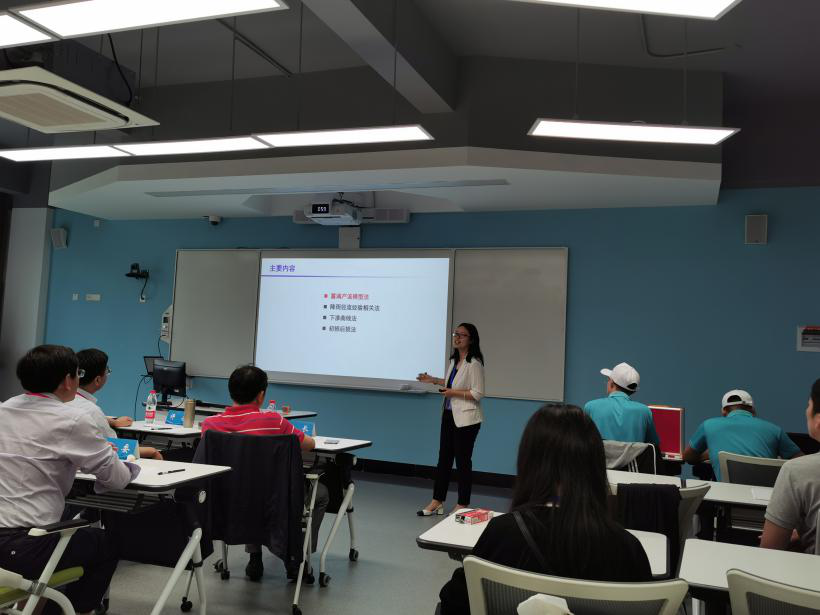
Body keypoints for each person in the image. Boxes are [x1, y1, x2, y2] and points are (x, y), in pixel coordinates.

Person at [438, 404, 652, 615]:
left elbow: (453, 604)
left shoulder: (503, 534)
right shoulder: (627, 548)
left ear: (529, 462)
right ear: (595, 465)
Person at [0, 345, 139, 615]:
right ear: (67, 380)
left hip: (11, 540)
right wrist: (114, 458)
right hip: (26, 544)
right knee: (107, 543)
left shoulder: (4, 409)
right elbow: (117, 479)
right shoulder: (73, 419)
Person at [200, 365, 329, 581]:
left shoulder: (210, 426)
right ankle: (296, 557)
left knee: (248, 482)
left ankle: (255, 557)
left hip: (226, 503)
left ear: (231, 392)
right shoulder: (275, 422)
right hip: (271, 503)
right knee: (321, 494)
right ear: (261, 395)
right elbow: (309, 444)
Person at [417, 323, 485, 516]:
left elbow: (478, 393)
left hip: (467, 419)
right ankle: (437, 500)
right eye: (456, 334)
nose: (457, 337)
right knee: (444, 460)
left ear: (471, 340)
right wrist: (432, 380)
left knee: (463, 462)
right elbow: (451, 383)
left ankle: (463, 503)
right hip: (448, 415)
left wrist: (452, 392)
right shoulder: (454, 361)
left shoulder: (474, 363)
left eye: (462, 335)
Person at [683, 389, 802, 481]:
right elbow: (802, 462)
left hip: (728, 497)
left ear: (723, 411)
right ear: (752, 410)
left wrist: (710, 454)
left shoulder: (708, 425)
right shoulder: (775, 430)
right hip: (767, 500)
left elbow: (688, 457)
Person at [761, 378, 820, 553]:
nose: (806, 411)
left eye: (809, 405)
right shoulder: (774, 430)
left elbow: (770, 549)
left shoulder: (796, 471)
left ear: (818, 421)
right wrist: (808, 532)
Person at [72, 348, 163, 460]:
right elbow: (116, 447)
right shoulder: (92, 411)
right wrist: (152, 451)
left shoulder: (65, 400)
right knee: (153, 452)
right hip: (96, 462)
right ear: (97, 380)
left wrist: (113, 422)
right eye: (107, 371)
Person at [583, 362, 659, 447]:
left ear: (611, 383)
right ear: (633, 391)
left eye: (608, 380)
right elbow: (654, 445)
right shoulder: (645, 412)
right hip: (633, 457)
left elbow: (582, 441)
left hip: (600, 456)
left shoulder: (590, 407)